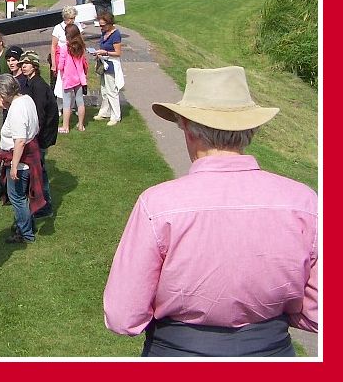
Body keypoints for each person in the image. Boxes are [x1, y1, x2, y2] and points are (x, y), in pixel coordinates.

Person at [104, 66, 317, 357]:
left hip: (178, 353)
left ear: (188, 130)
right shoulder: (303, 202)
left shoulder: (158, 205)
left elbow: (123, 314)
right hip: (272, 352)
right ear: (250, 130)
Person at [0, 74, 45, 244]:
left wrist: (14, 166)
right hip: (31, 153)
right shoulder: (26, 99)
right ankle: (27, 224)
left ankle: (26, 233)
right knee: (22, 196)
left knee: (17, 198)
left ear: (3, 92)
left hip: (21, 161)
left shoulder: (16, 110)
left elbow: (20, 140)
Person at [18, 51, 59, 218]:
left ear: (34, 66)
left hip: (41, 136)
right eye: (22, 64)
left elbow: (40, 116)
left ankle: (45, 206)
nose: (23, 67)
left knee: (40, 171)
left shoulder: (39, 86)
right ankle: (40, 203)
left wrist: (33, 137)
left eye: (26, 64)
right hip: (38, 134)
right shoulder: (30, 83)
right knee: (39, 170)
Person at [93, 11, 124, 126]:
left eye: (103, 25)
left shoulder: (115, 34)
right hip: (103, 62)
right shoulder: (104, 32)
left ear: (109, 23)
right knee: (104, 90)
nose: (101, 27)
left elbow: (118, 53)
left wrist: (105, 52)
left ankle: (116, 116)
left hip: (111, 64)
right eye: (100, 25)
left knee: (112, 91)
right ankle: (105, 111)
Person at [57, 23, 89, 133]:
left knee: (67, 103)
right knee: (80, 102)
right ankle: (81, 125)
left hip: (68, 79)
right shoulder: (81, 47)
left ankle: (65, 127)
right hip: (80, 79)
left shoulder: (64, 48)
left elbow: (60, 65)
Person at [51, 5, 79, 97]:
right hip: (62, 59)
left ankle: (72, 103)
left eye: (73, 18)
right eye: (70, 18)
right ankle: (60, 106)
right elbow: (53, 46)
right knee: (61, 83)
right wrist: (54, 64)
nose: (72, 21)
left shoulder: (77, 26)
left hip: (74, 58)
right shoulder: (58, 28)